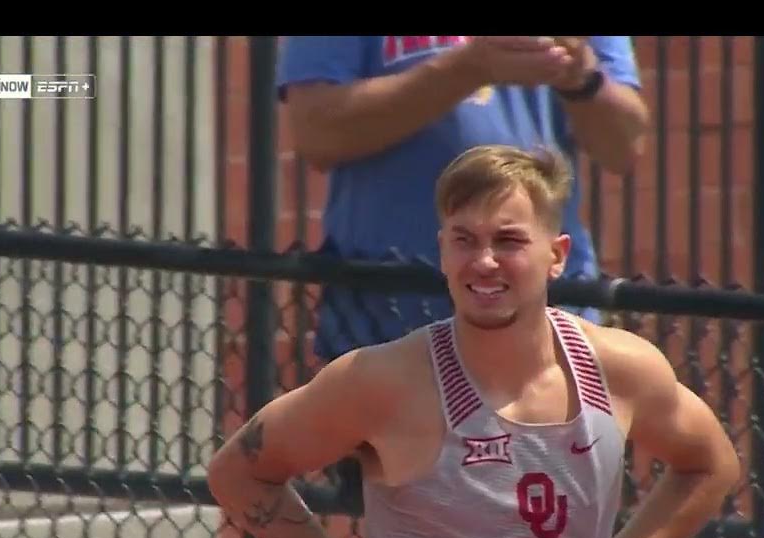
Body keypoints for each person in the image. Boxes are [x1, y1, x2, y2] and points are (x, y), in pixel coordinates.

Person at [206, 145, 741, 538]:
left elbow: (710, 465)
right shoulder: (386, 380)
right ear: (442, 251)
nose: (483, 262)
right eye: (465, 240)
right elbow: (240, 471)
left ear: (556, 255)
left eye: (508, 241)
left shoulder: (618, 371)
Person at [275, 35, 650, 361]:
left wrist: (580, 78)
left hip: (545, 313)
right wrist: (470, 67)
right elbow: (318, 133)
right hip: (390, 314)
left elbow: (623, 147)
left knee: (555, 443)